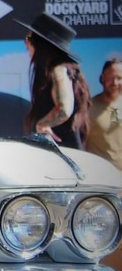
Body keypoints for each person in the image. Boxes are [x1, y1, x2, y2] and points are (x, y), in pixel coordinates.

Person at [19, 12, 89, 149]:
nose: (25, 42)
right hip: (61, 152)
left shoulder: (59, 70)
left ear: (40, 43)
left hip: (62, 152)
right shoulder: (61, 70)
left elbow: (64, 108)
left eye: (29, 37)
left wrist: (43, 124)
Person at [86, 57, 122, 168]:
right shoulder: (89, 108)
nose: (115, 83)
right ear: (102, 78)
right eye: (110, 78)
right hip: (100, 176)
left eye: (119, 78)